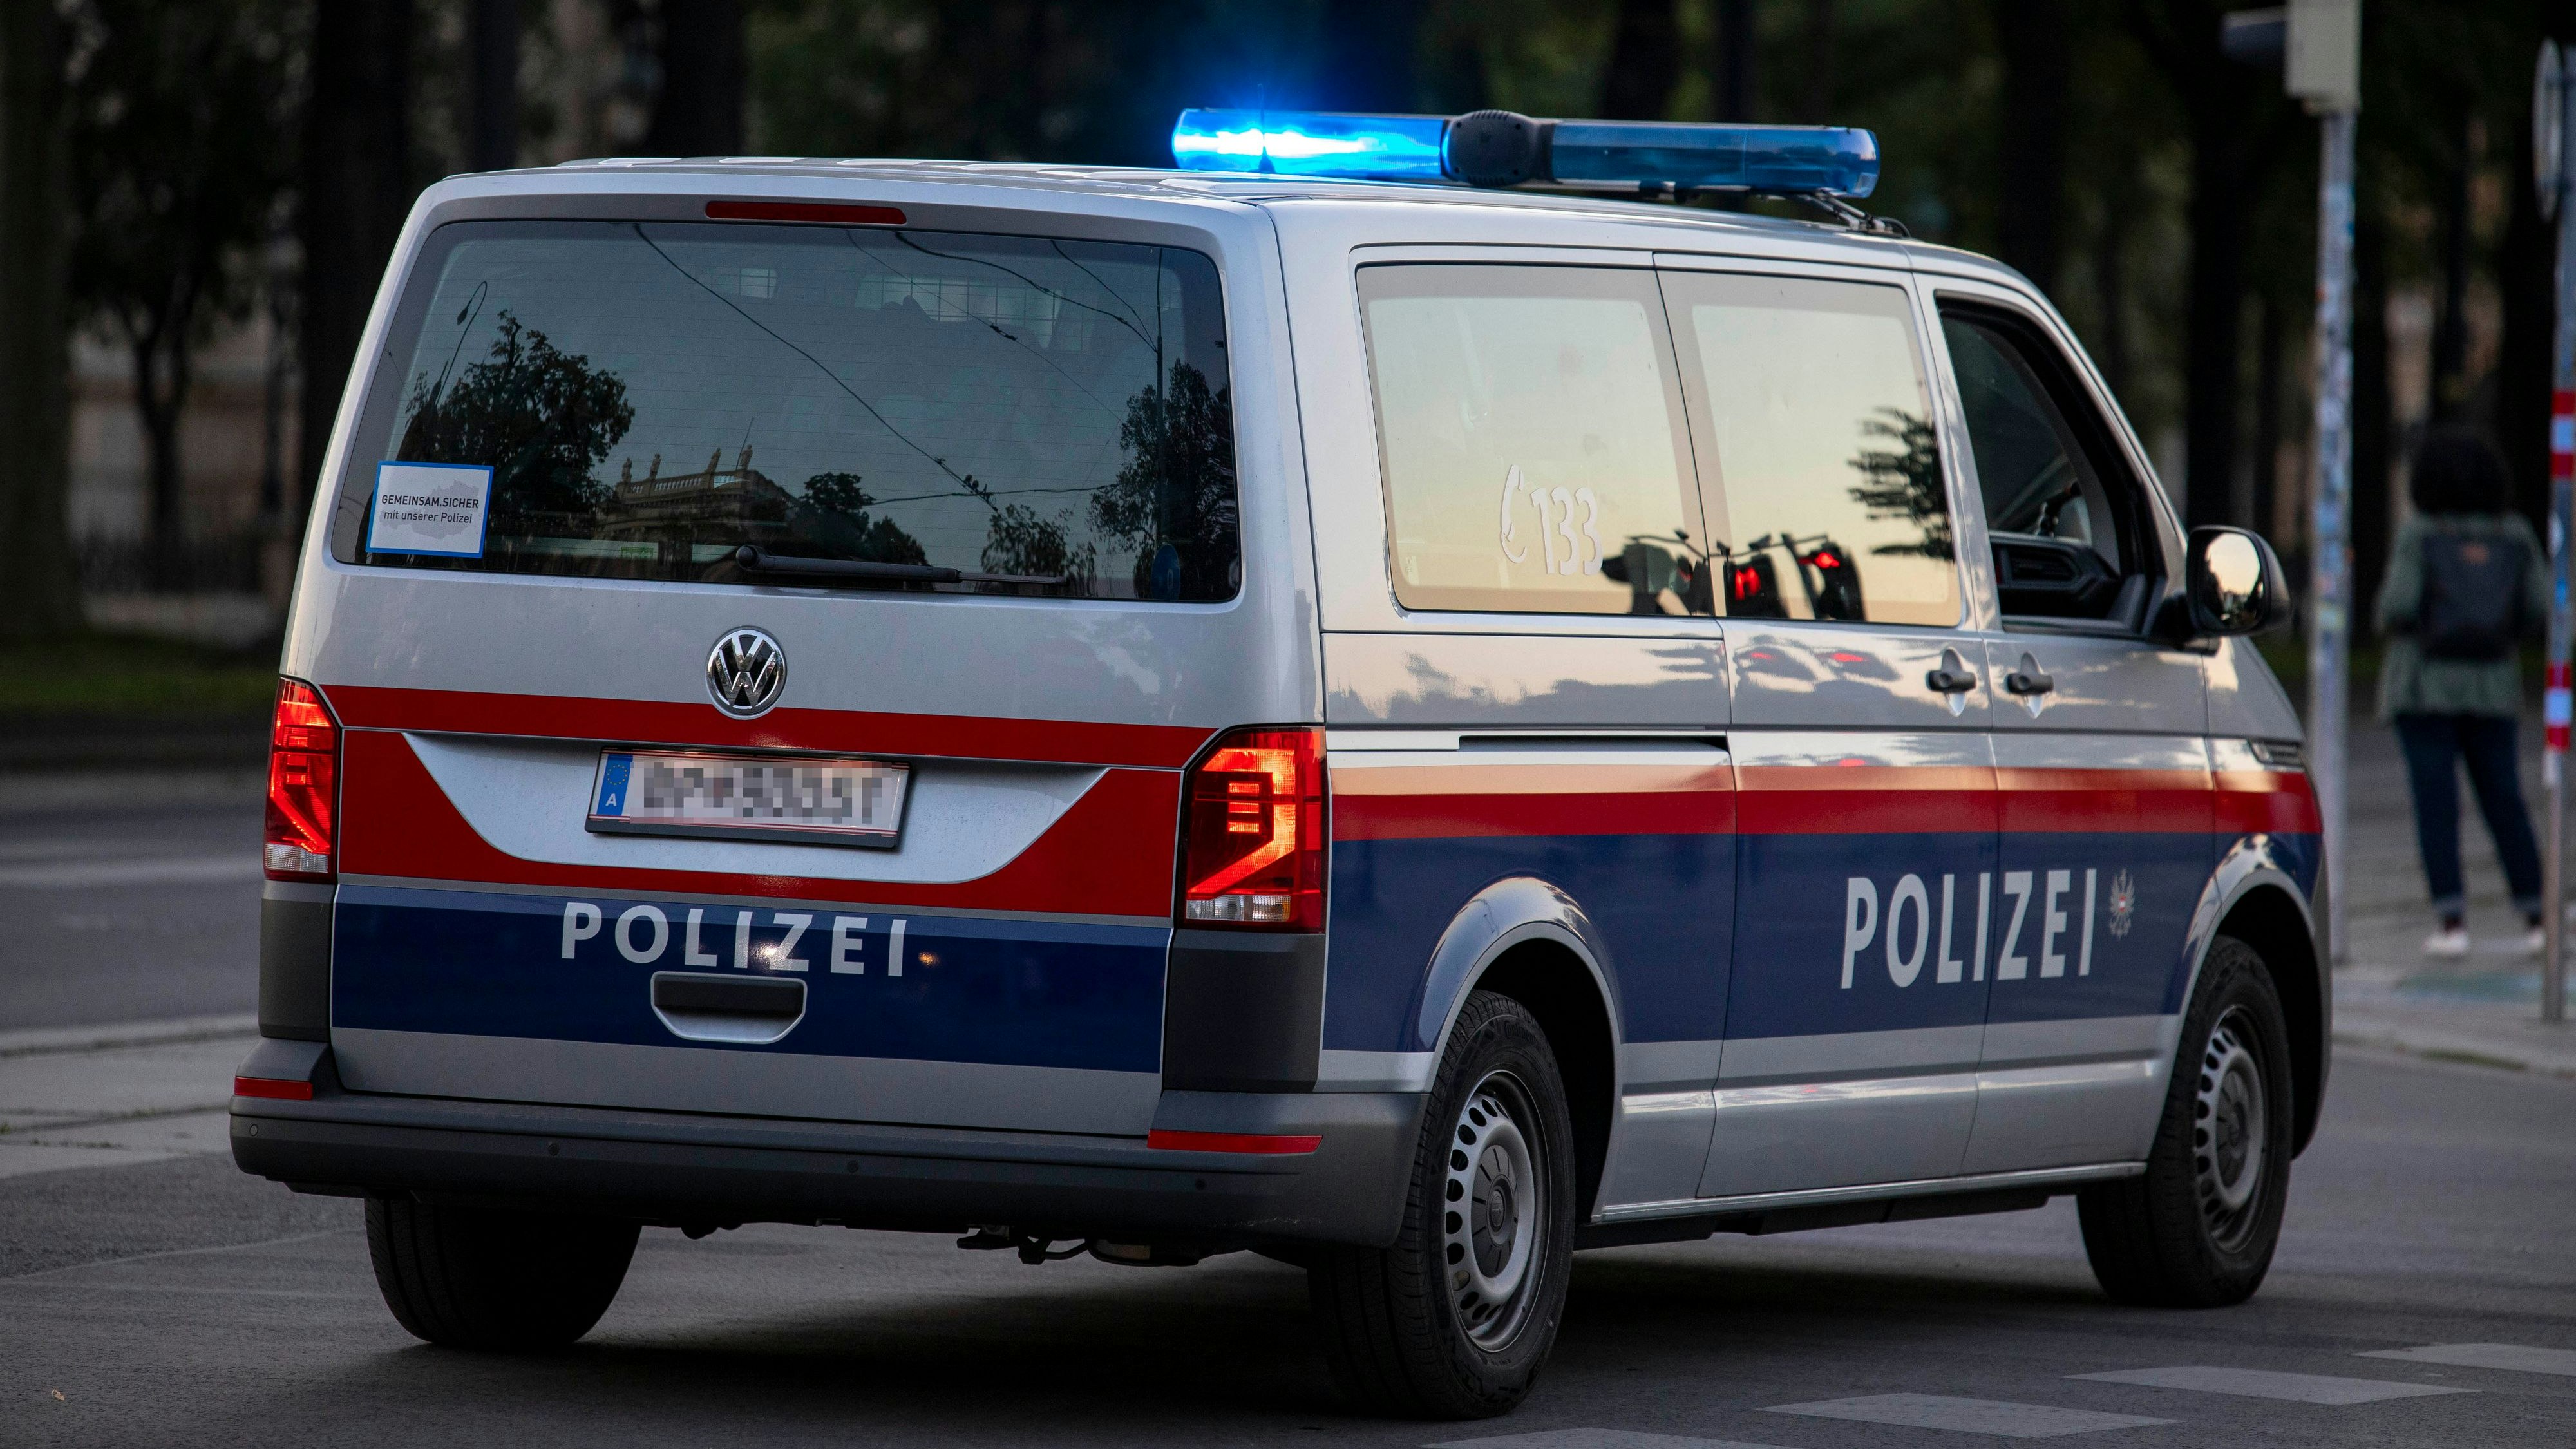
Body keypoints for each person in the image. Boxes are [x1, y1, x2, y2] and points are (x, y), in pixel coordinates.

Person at [2374, 427, 2550, 958]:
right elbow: (2540, 608)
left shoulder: (2422, 532)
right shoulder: (2514, 535)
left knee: (2437, 804)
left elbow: (2397, 605)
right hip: (2493, 687)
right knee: (2505, 799)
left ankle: (2452, 922)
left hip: (2424, 686)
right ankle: (2538, 912)